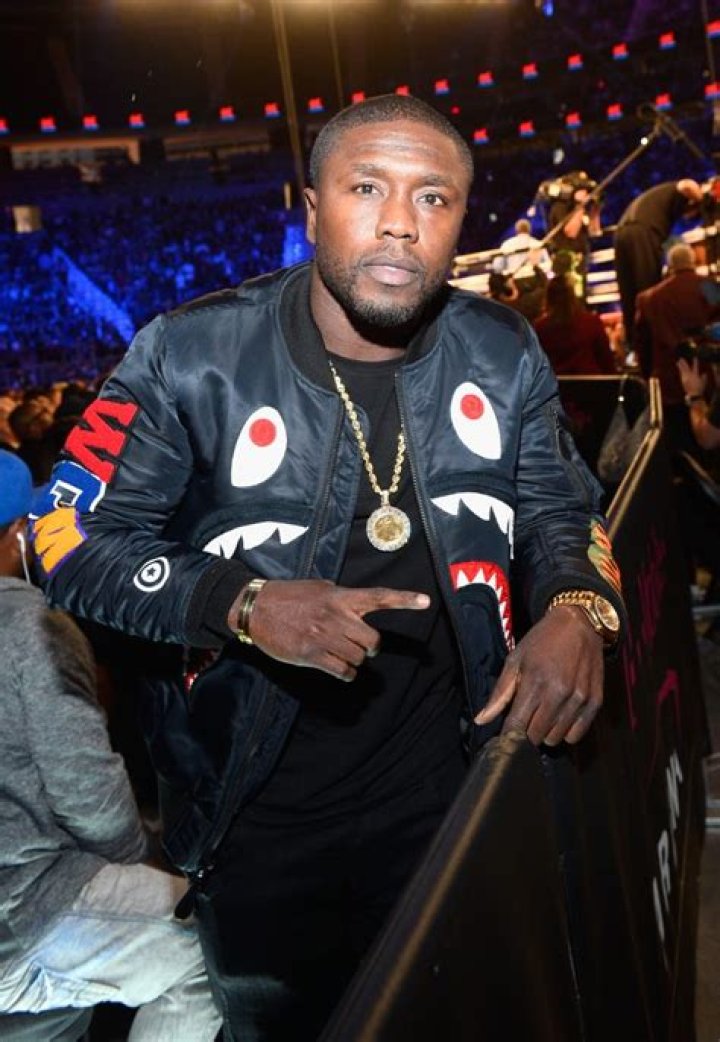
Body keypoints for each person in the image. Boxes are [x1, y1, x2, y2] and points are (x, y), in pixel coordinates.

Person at [34, 94, 625, 1042]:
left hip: (453, 795)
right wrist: (240, 602)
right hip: (258, 825)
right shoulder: (190, 355)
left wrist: (576, 604)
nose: (400, 223)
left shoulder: (501, 347)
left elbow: (562, 507)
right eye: (367, 188)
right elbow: (63, 539)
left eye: (433, 198)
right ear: (310, 207)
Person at [0, 449, 221, 1041]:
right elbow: (84, 788)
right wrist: (140, 855)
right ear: (19, 533)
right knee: (211, 950)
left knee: (59, 1011)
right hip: (23, 907)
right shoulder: (28, 624)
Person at [634, 242, 718, 451]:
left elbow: (642, 346)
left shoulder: (649, 298)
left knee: (677, 452)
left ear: (670, 266)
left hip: (667, 386)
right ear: (693, 262)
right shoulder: (708, 287)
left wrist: (648, 379)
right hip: (706, 380)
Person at [613, 178, 704, 346]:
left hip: (621, 232)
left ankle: (634, 343)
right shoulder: (676, 191)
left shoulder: (658, 200)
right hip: (643, 232)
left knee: (629, 293)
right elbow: (687, 184)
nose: (687, 217)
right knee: (649, 290)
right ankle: (653, 342)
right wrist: (703, 200)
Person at [534, 273, 617, 375]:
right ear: (573, 296)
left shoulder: (540, 328)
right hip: (591, 382)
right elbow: (607, 363)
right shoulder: (591, 322)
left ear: (548, 299)